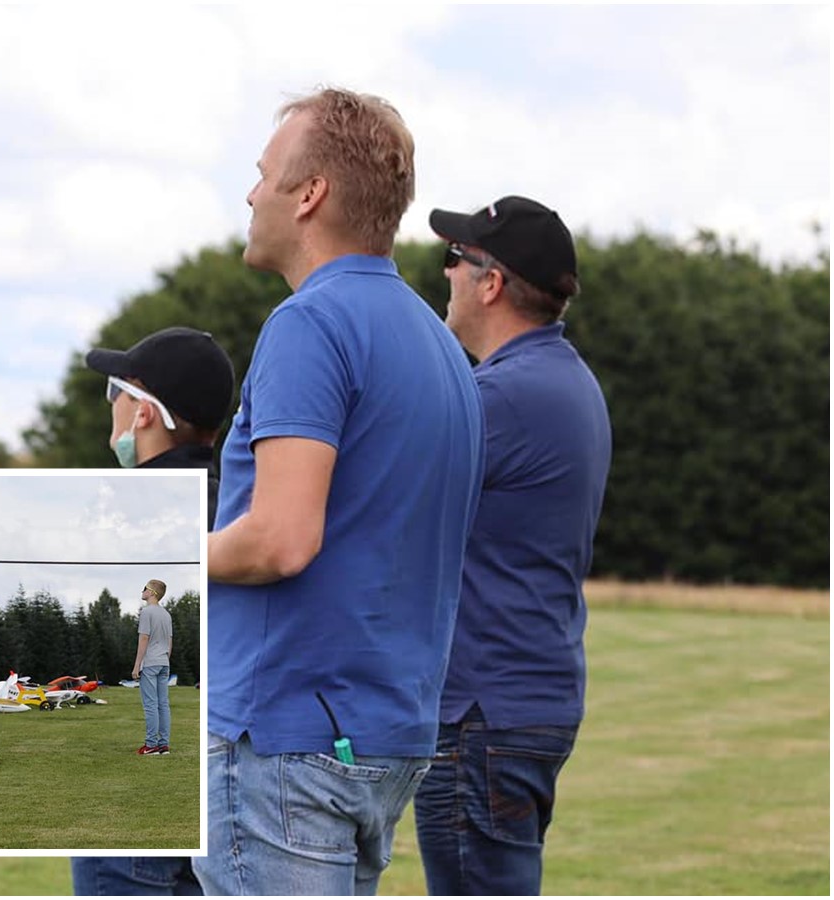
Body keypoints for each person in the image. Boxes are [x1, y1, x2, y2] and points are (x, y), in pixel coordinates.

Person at [195, 88, 484, 896]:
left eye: (263, 176)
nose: (252, 194)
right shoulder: (439, 343)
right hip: (383, 736)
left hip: (285, 737)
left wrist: (164, 553)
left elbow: (282, 538)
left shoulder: (308, 325)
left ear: (310, 192)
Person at [413, 196, 612, 895]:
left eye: (454, 259)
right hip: (523, 704)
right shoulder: (563, 380)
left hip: (481, 715)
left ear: (489, 281)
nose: (445, 275)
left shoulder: (500, 395)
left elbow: (379, 507)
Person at [70, 327, 235, 896]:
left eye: (114, 390)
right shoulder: (233, 505)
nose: (109, 406)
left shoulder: (142, 517)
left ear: (143, 413)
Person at [85, 325, 235, 527]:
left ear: (144, 414)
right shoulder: (231, 515)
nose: (112, 401)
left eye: (115, 389)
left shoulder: (117, 519)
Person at [132, 578, 173, 755]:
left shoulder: (147, 612)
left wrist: (136, 666)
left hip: (150, 663)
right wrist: (166, 659)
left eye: (145, 589)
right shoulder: (166, 614)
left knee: (150, 705)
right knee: (163, 704)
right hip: (164, 662)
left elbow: (144, 639)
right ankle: (163, 744)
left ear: (152, 593)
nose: (142, 591)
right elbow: (170, 641)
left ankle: (150, 745)